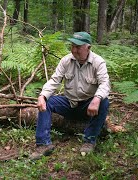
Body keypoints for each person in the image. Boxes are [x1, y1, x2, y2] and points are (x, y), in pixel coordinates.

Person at [30, 32, 110, 160]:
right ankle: (43, 144)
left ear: (88, 47)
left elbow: (105, 84)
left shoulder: (98, 62)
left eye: (78, 47)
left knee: (104, 102)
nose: (74, 50)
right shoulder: (66, 61)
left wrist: (97, 99)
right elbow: (54, 80)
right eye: (72, 46)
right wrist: (42, 96)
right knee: (48, 101)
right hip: (69, 103)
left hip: (87, 107)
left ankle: (89, 140)